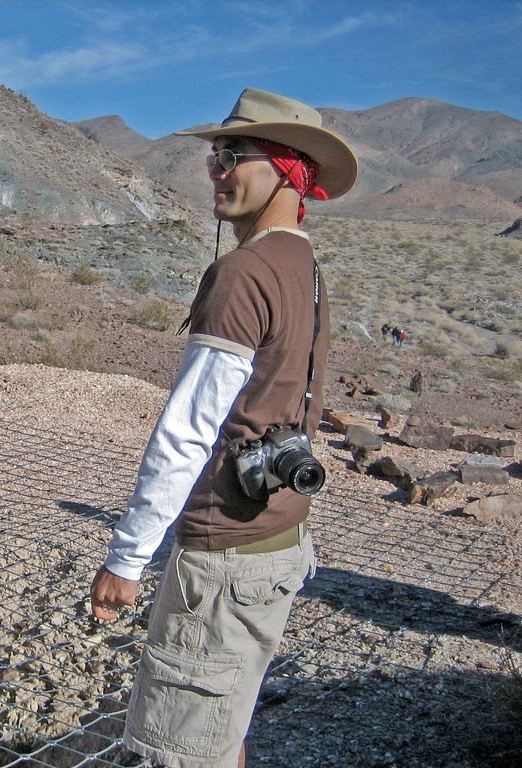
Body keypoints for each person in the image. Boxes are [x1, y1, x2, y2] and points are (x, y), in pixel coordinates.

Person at [89, 88, 358, 768]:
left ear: (290, 170)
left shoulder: (244, 273)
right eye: (214, 156)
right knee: (221, 727)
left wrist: (127, 557)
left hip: (224, 557)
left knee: (178, 748)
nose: (216, 169)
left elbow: (188, 431)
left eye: (233, 155)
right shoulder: (306, 268)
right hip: (278, 543)